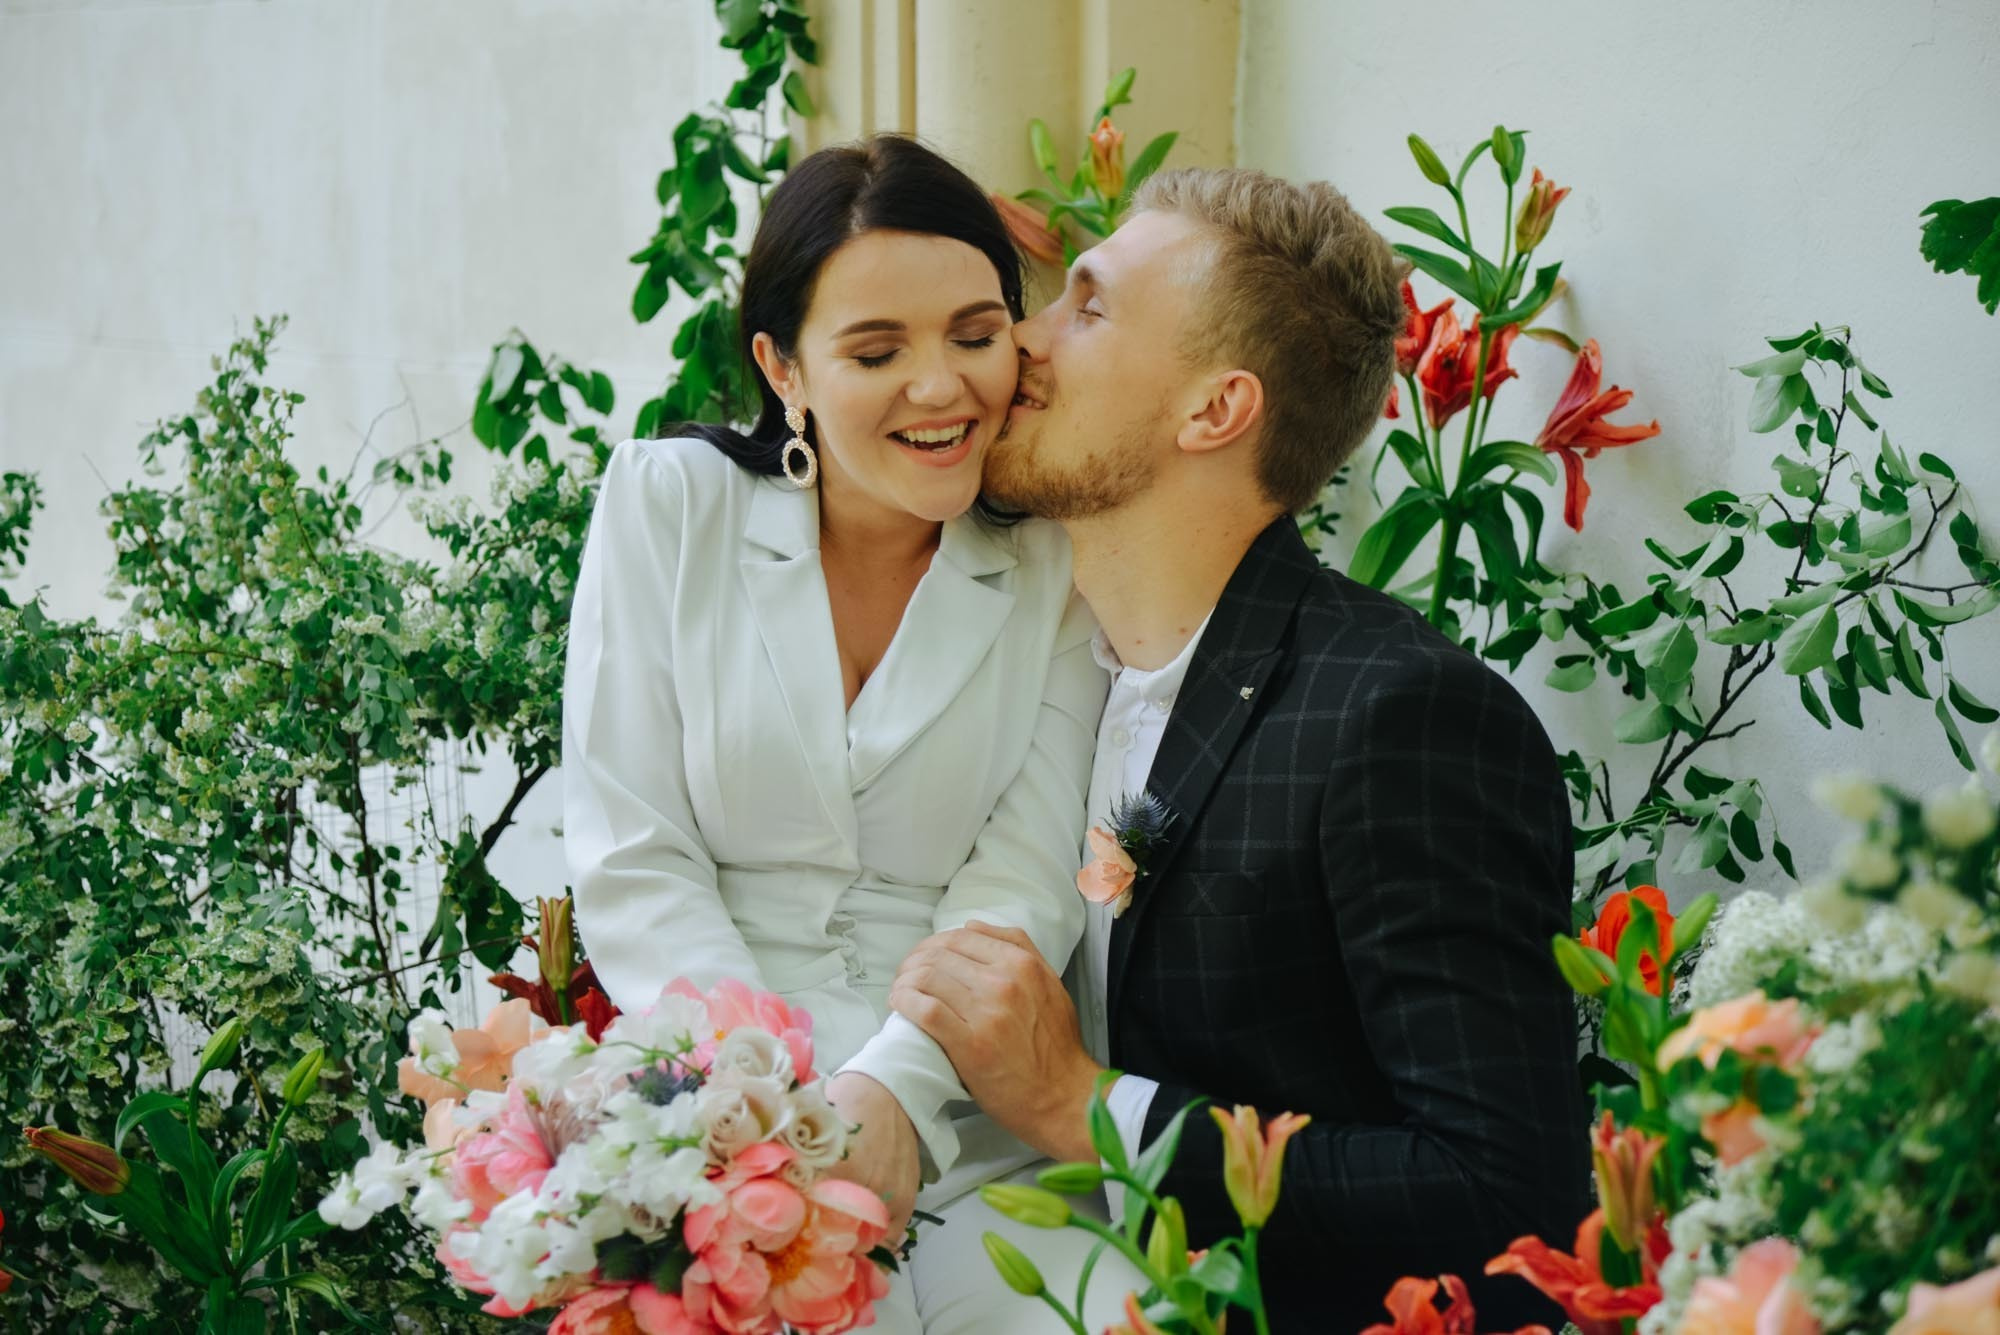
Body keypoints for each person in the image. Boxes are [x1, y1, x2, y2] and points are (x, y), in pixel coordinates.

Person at [892, 166, 1593, 1332]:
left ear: (1214, 410)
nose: (1024, 338)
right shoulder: (1025, 676)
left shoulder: (1398, 717)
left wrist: (1081, 1109)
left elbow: (1503, 1192)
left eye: (1089, 305)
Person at [561, 134, 1145, 1332]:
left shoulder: (1051, 562)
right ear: (784, 367)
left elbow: (1025, 875)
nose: (940, 389)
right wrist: (778, 1121)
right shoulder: (669, 507)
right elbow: (633, 852)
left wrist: (888, 1086)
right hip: (717, 1102)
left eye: (975, 336)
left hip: (962, 1103)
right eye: (876, 351)